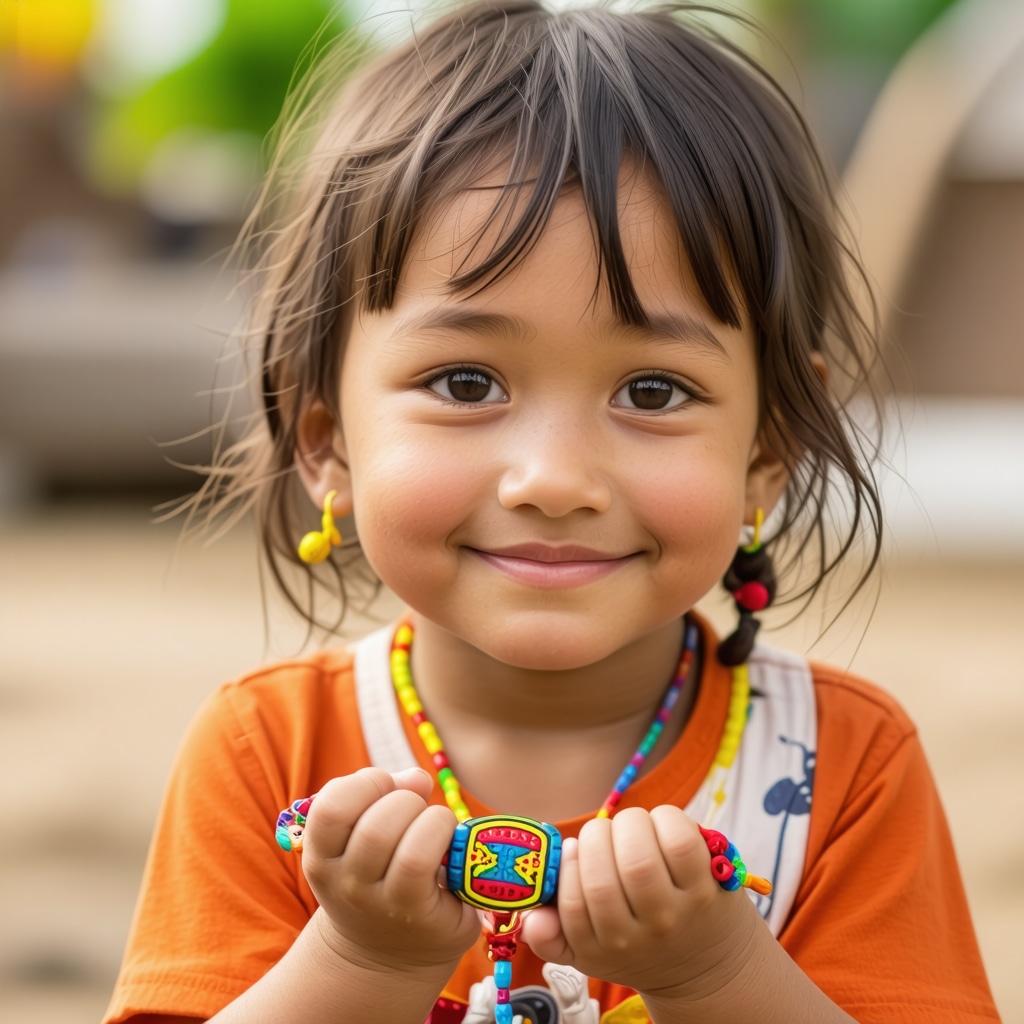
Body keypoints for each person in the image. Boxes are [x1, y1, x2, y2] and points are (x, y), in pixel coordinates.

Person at [104, 2, 1001, 1022]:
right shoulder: (268, 752)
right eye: (466, 381)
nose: (552, 477)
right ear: (327, 444)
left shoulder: (841, 764)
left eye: (652, 392)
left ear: (765, 452)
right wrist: (361, 960)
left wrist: (714, 975)